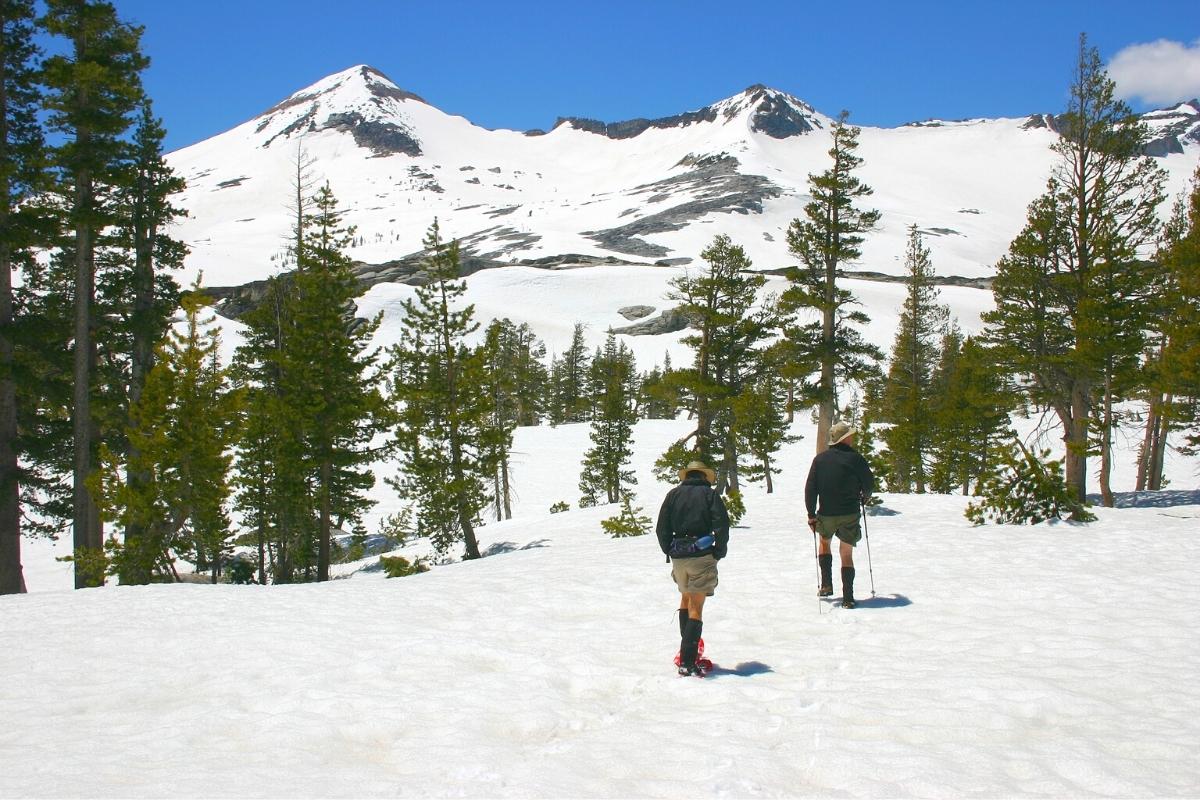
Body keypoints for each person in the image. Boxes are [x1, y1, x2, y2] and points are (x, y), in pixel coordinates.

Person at [656, 460, 730, 676]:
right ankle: (688, 661)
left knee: (685, 599)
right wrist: (719, 551)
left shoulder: (673, 495)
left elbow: (661, 527)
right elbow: (722, 525)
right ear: (704, 476)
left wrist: (668, 549)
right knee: (696, 606)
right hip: (702, 555)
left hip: (678, 557)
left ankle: (686, 650)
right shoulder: (710, 495)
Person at [805, 421, 874, 609]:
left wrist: (811, 514)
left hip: (826, 512)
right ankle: (848, 598)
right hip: (849, 512)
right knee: (846, 552)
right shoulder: (856, 459)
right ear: (845, 439)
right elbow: (869, 484)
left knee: (824, 543)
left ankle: (826, 585)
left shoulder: (820, 460)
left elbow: (810, 488)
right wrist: (865, 497)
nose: (853, 438)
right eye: (850, 435)